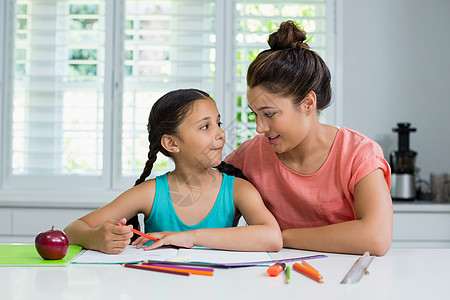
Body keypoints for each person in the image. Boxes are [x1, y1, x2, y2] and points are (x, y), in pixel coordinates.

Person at [225, 21, 393, 256]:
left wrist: (280, 237)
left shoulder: (358, 154)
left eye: (269, 114)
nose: (259, 128)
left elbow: (376, 238)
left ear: (308, 103)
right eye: (255, 114)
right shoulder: (247, 157)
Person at [64, 89, 282, 254]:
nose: (220, 134)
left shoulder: (237, 189)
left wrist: (191, 237)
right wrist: (95, 238)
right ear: (171, 143)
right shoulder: (149, 193)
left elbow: (272, 238)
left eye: (218, 123)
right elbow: (72, 230)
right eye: (205, 127)